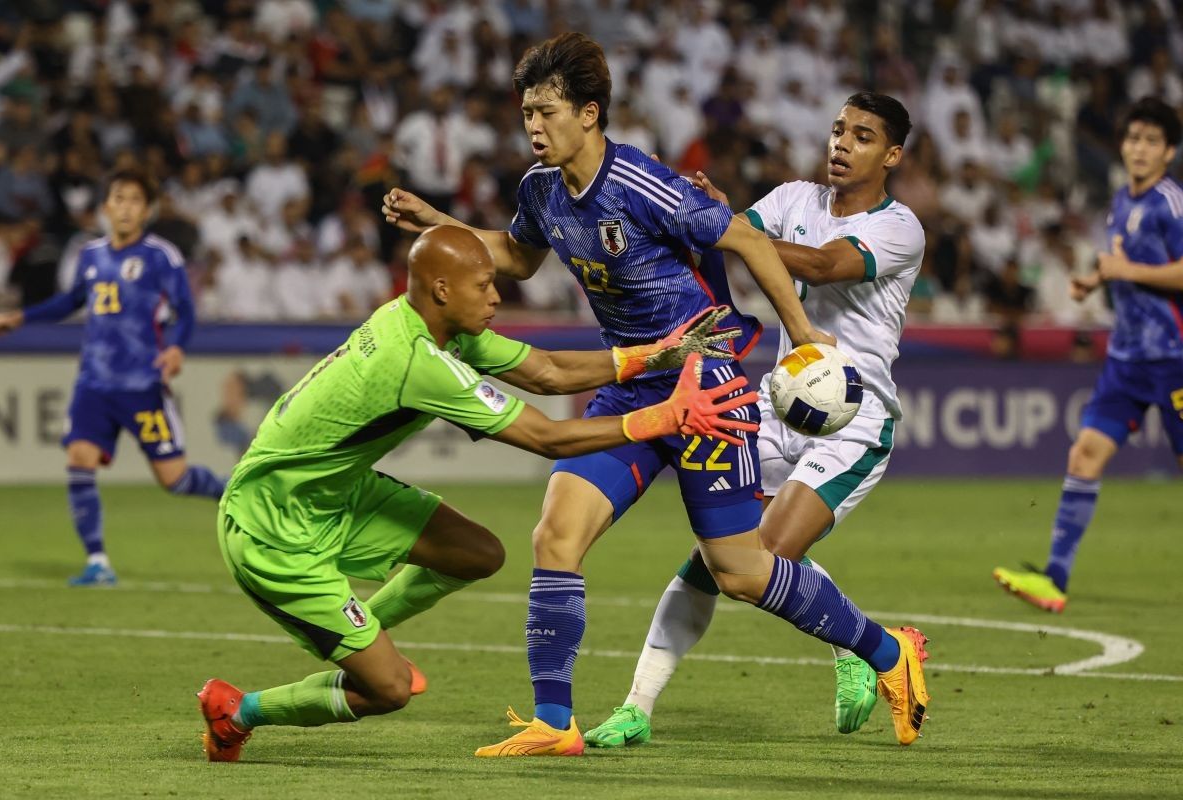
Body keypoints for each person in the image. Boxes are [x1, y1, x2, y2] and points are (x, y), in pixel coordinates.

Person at [384, 35, 930, 754]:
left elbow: (745, 239)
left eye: (546, 113)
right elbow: (516, 256)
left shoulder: (639, 183)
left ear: (590, 113)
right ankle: (555, 723)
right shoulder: (540, 190)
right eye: (526, 114)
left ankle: (885, 652)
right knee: (555, 535)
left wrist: (800, 335)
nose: (534, 128)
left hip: (707, 384)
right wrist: (440, 225)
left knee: (740, 571)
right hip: (631, 382)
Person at [195, 224, 757, 762]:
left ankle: (358, 629)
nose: (497, 295)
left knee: (477, 554)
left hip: (334, 494)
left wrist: (654, 355)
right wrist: (662, 417)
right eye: (484, 285)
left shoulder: (428, 324)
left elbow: (549, 372)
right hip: (272, 528)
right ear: (442, 289)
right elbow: (548, 437)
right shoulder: (415, 360)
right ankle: (238, 711)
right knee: (389, 689)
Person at [584, 92, 929, 748]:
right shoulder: (792, 199)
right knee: (717, 559)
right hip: (780, 408)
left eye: (861, 136)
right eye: (837, 131)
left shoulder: (900, 227)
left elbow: (824, 265)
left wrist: (730, 228)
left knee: (764, 555)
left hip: (852, 418)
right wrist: (685, 211)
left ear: (891, 155)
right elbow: (718, 239)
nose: (841, 144)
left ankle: (874, 647)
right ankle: (636, 707)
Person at [0, 168, 225, 586]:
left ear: (147, 210)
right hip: (93, 384)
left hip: (142, 385)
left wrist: (175, 347)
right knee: (79, 459)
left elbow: (184, 310)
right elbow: (71, 300)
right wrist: (21, 318)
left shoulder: (160, 256)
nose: (126, 206)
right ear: (105, 207)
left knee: (175, 479)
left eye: (135, 199)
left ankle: (235, 491)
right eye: (119, 198)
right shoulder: (91, 255)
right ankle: (98, 562)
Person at [993, 97, 1183, 613]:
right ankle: (1054, 578)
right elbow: (1127, 263)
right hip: (1126, 359)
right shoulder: (1121, 200)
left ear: (1168, 151)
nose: (1139, 149)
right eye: (1133, 138)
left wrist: (1124, 274)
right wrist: (1096, 277)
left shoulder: (1170, 203)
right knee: (1084, 455)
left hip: (1174, 356)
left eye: (1151, 141)